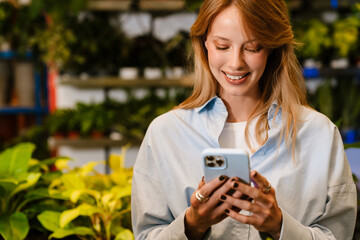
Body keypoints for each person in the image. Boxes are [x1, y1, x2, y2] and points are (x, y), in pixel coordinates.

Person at [131, 0, 357, 239]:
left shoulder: (318, 133)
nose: (236, 62)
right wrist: (191, 224)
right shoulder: (165, 133)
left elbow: (337, 234)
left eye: (252, 48)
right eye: (222, 46)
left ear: (272, 48)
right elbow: (147, 234)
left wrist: (279, 225)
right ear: (204, 42)